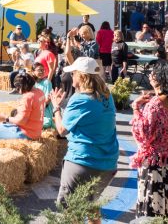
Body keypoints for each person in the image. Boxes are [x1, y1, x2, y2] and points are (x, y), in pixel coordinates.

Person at [50, 57, 118, 220]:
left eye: (73, 73)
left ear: (81, 76)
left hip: (83, 161)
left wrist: (56, 109)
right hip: (108, 163)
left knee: (72, 212)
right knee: (90, 204)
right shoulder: (107, 95)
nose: (71, 77)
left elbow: (61, 130)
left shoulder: (79, 99)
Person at [130, 61, 168, 218]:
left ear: (162, 78)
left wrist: (136, 108)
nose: (150, 75)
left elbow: (143, 135)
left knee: (152, 215)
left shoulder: (156, 104)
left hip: (156, 167)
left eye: (154, 73)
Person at [0, 71, 45, 148]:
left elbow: (22, 121)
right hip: (36, 131)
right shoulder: (40, 92)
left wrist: (6, 118)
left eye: (18, 88)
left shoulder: (28, 97)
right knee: (4, 125)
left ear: (22, 86)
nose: (18, 91)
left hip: (26, 133)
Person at [33, 62, 54, 129]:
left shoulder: (47, 83)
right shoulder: (33, 84)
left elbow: (48, 99)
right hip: (34, 112)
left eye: (43, 70)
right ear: (33, 72)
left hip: (45, 112)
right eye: (39, 70)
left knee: (46, 123)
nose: (41, 72)